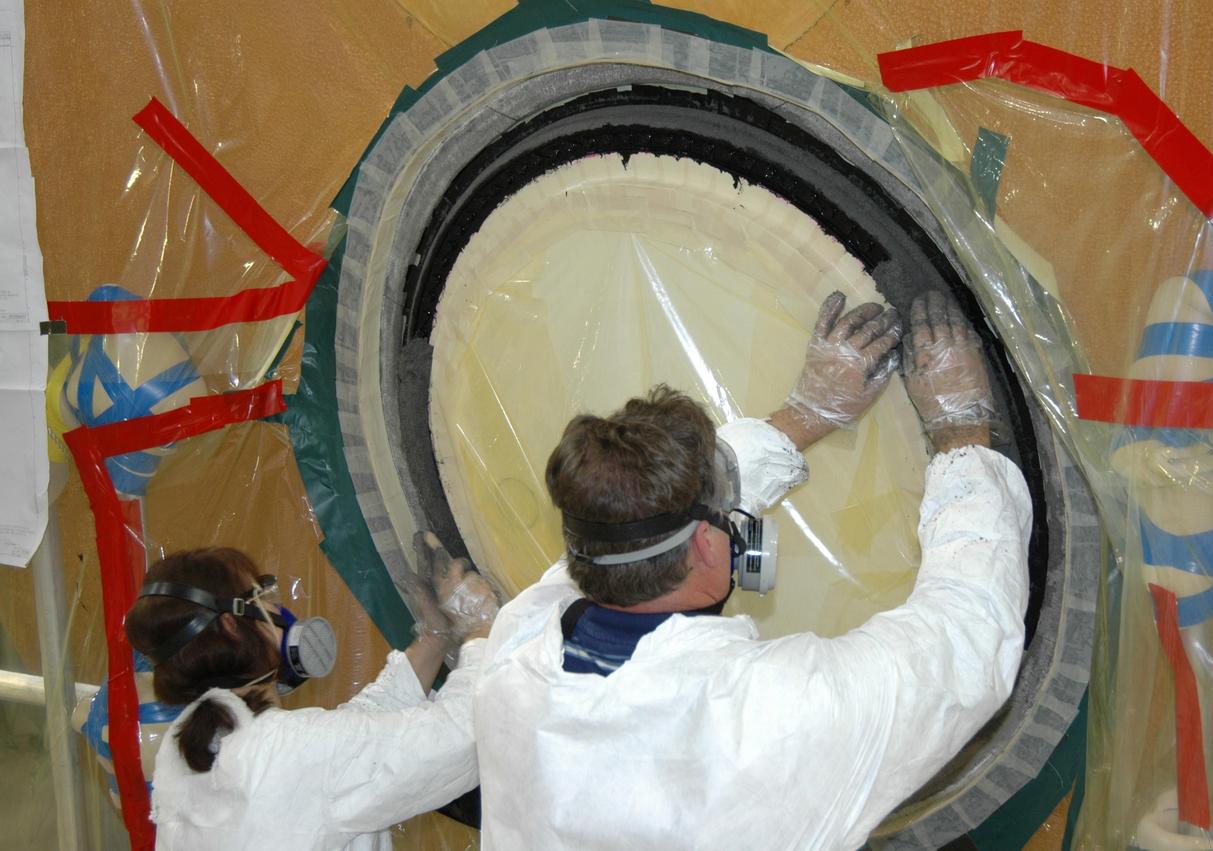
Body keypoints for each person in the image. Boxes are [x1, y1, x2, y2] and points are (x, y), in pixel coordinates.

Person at [472, 290, 1030, 849]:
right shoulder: (773, 713)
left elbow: (624, 525)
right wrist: (961, 436)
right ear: (711, 547)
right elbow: (967, 636)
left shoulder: (516, 648)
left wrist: (806, 416)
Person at [124, 541, 499, 851]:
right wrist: (482, 628)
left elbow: (354, 740)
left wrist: (433, 638)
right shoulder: (286, 750)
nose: (275, 609)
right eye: (261, 595)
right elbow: (458, 735)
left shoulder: (190, 743)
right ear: (231, 626)